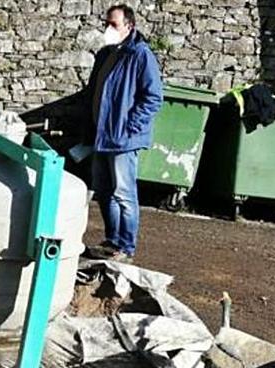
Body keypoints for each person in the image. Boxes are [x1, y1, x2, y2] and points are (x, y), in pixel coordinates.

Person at [82, 4, 163, 263]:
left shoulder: (140, 55)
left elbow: (152, 97)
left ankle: (126, 247)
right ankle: (113, 240)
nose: (108, 28)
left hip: (122, 139)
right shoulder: (107, 54)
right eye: (107, 23)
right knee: (104, 192)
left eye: (114, 24)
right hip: (103, 136)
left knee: (124, 194)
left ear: (129, 26)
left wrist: (128, 128)